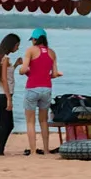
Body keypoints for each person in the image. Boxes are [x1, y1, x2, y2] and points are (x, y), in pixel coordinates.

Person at [19, 28, 59, 156]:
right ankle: (46, 150)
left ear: (35, 39)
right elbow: (54, 74)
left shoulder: (30, 51)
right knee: (43, 120)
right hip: (47, 88)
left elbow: (24, 69)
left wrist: (20, 69)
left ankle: (33, 151)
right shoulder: (52, 52)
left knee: (30, 121)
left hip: (32, 88)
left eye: (32, 40)